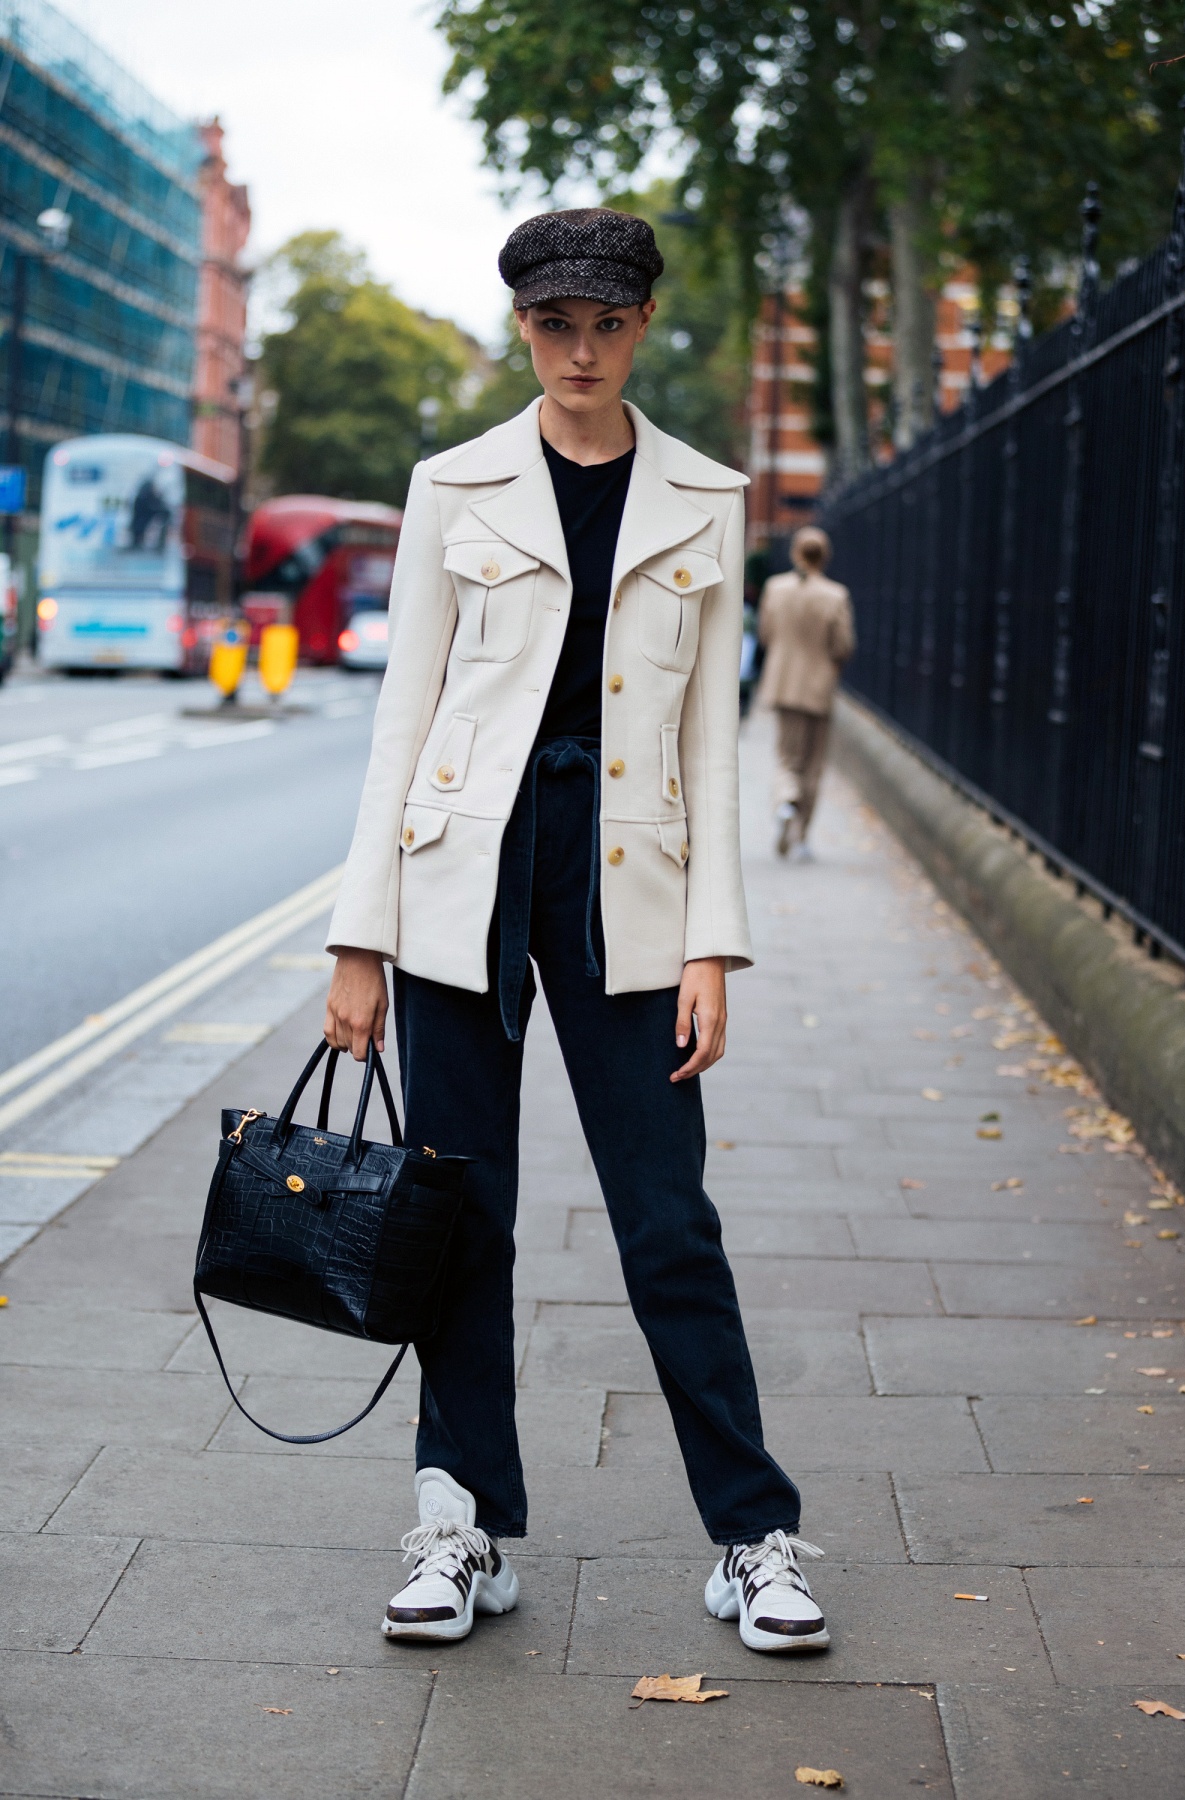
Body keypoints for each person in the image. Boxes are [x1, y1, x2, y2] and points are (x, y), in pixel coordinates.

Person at [323, 208, 828, 1655]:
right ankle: (459, 1527)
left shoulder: (702, 498)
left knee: (670, 1222)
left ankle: (752, 1537)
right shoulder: (451, 485)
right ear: (524, 328)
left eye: (607, 322)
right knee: (459, 1212)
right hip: (455, 879)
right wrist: (360, 943)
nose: (582, 349)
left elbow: (710, 745)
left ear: (646, 322)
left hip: (635, 887)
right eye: (556, 323)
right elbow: (400, 719)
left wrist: (712, 948)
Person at [757, 527, 855, 859]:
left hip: (783, 684)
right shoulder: (835, 595)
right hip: (818, 688)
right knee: (813, 765)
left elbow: (766, 634)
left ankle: (785, 799)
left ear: (795, 553)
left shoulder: (775, 588)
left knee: (787, 756)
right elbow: (843, 646)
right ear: (824, 556)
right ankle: (801, 837)